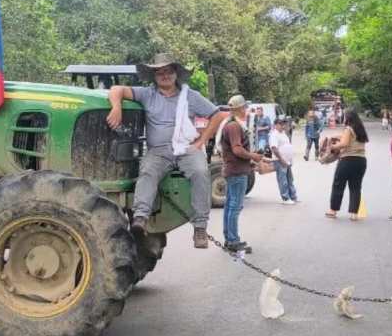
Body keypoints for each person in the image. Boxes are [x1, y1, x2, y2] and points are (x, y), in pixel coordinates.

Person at [107, 53, 227, 249]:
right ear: (154, 75)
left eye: (169, 71)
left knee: (200, 171)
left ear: (176, 74)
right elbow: (116, 89)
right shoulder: (147, 93)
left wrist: (202, 140)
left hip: (186, 148)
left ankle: (200, 227)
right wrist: (116, 106)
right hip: (159, 150)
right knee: (147, 171)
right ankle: (140, 219)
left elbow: (217, 115)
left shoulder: (189, 96)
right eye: (160, 72)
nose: (165, 75)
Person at [219, 95, 272, 252]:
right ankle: (233, 241)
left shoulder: (230, 124)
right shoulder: (234, 126)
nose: (247, 111)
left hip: (233, 170)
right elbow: (237, 149)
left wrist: (251, 154)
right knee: (235, 207)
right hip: (237, 171)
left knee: (230, 206)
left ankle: (229, 239)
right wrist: (253, 156)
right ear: (241, 108)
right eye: (246, 108)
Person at [326, 108, 369, 221]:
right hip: (361, 161)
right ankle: (354, 214)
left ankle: (333, 210)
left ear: (347, 118)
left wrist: (333, 147)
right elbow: (352, 141)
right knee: (355, 187)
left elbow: (344, 144)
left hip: (348, 160)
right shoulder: (361, 130)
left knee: (338, 185)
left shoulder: (348, 129)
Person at [269, 116, 297, 205]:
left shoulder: (283, 133)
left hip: (287, 160)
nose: (283, 126)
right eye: (280, 124)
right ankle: (285, 198)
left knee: (290, 179)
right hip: (280, 160)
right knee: (283, 180)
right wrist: (281, 159)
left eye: (284, 124)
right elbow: (274, 148)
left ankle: (292, 196)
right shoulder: (274, 135)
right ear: (275, 125)